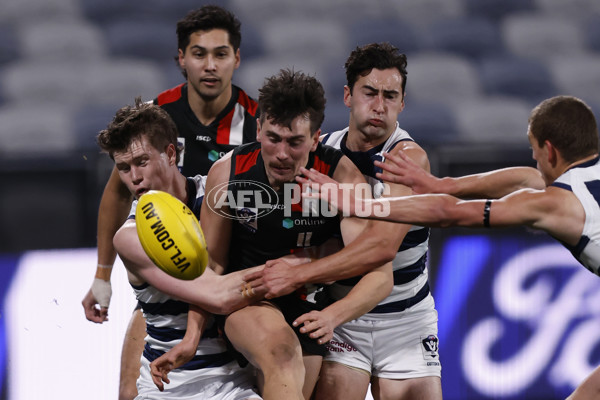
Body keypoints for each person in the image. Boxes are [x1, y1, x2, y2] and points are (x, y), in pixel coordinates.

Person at [300, 95, 600, 399]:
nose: (535, 161)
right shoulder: (580, 179)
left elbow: (450, 213)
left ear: (549, 150)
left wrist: (361, 204)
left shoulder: (558, 203)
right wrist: (445, 185)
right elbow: (528, 178)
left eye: (535, 152)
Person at [245, 42, 443, 400]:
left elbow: (380, 248)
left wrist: (300, 272)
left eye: (390, 96)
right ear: (349, 96)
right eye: (370, 92)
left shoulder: (407, 159)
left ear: (402, 103)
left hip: (405, 318)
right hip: (343, 312)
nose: (379, 106)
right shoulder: (322, 153)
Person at [80, 5, 259, 399]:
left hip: (237, 266)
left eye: (220, 54)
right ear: (182, 59)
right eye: (199, 54)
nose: (209, 66)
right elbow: (115, 193)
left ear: (237, 59)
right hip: (177, 266)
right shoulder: (154, 119)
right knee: (133, 382)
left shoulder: (258, 126)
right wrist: (102, 274)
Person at [192, 68, 393, 400]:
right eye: (273, 138)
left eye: (295, 142)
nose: (282, 153)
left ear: (315, 138)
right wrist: (192, 333)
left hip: (310, 310)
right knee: (283, 357)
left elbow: (380, 274)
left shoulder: (342, 178)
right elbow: (211, 266)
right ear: (258, 130)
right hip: (248, 299)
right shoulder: (228, 172)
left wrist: (332, 316)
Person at [98, 98, 263, 399]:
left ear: (171, 153)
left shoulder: (216, 195)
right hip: (169, 384)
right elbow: (218, 295)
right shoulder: (130, 237)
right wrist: (295, 270)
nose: (134, 177)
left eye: (142, 161)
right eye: (123, 168)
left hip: (234, 381)